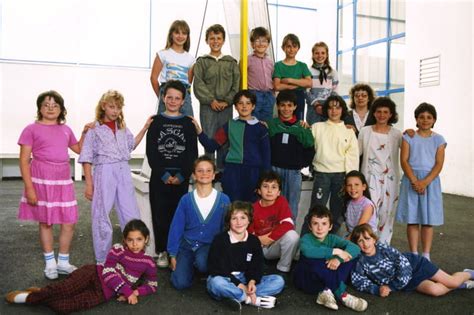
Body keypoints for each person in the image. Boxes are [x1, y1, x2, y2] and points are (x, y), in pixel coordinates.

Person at [5, 219, 158, 313]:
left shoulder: (149, 262)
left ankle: (42, 293)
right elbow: (109, 271)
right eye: (130, 240)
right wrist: (126, 290)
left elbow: (153, 285)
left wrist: (135, 292)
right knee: (63, 289)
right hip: (94, 274)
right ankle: (28, 297)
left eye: (139, 239)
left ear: (146, 239)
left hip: (103, 293)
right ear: (125, 240)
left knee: (64, 307)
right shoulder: (118, 248)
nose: (134, 244)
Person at [78, 90, 153, 264]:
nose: (115, 111)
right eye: (112, 107)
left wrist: (145, 127)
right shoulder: (94, 129)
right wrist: (89, 184)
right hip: (104, 172)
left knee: (131, 213)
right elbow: (86, 158)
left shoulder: (122, 128)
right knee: (101, 215)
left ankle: (134, 256)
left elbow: (131, 145)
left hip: (123, 171)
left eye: (118, 108)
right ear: (103, 106)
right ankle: (102, 260)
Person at [17, 90, 84, 280]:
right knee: (46, 221)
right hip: (41, 178)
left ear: (61, 109)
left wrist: (85, 133)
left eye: (55, 105)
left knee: (69, 221)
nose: (50, 108)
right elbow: (23, 161)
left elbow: (79, 149)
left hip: (62, 178)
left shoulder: (65, 129)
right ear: (39, 108)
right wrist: (29, 188)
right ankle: (50, 263)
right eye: (46, 105)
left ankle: (63, 261)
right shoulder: (31, 129)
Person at [146, 80, 198, 268]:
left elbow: (192, 153)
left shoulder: (188, 123)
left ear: (183, 101)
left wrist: (182, 176)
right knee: (160, 214)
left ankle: (174, 250)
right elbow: (151, 152)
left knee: (178, 216)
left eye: (177, 98)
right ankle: (162, 251)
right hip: (160, 177)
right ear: (163, 98)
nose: (173, 101)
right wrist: (164, 175)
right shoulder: (156, 121)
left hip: (181, 178)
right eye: (170, 97)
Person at [351, 224, 474, 298]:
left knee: (452, 282)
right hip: (405, 281)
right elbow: (358, 281)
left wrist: (391, 287)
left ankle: (469, 273)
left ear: (374, 239)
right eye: (360, 241)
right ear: (356, 244)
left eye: (367, 239)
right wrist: (376, 289)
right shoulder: (360, 261)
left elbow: (404, 267)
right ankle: (461, 285)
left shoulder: (383, 249)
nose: (365, 243)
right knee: (435, 291)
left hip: (415, 265)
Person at [194, 90, 271, 202]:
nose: (244, 106)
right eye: (240, 103)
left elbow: (266, 155)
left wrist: (265, 179)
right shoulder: (229, 125)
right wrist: (199, 132)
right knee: (233, 208)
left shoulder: (261, 128)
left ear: (253, 106)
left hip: (254, 173)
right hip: (232, 172)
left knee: (252, 210)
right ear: (235, 106)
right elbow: (211, 146)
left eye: (248, 103)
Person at [167, 156, 230, 290]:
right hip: (187, 245)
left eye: (208, 171)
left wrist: (224, 254)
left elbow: (227, 229)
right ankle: (188, 267)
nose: (204, 174)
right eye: (200, 171)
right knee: (180, 283)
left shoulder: (224, 200)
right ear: (194, 175)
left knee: (203, 263)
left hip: (209, 245)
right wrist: (172, 254)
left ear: (214, 175)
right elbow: (176, 227)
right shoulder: (186, 199)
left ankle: (200, 268)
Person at [207, 201, 284, 311]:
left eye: (243, 218)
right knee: (216, 283)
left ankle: (234, 297)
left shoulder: (254, 241)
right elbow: (216, 268)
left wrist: (252, 281)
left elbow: (257, 265)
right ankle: (250, 300)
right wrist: (239, 285)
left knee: (278, 281)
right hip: (225, 278)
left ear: (249, 220)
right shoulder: (220, 240)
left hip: (245, 278)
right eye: (234, 218)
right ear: (229, 221)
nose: (239, 222)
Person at [395, 103, 446, 261]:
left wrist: (424, 182)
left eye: (429, 117)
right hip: (411, 180)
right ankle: (414, 254)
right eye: (422, 117)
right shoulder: (408, 137)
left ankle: (426, 255)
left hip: (430, 182)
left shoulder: (439, 139)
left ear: (434, 119)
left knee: (427, 220)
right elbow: (404, 160)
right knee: (412, 219)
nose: (425, 120)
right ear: (416, 119)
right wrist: (415, 181)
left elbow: (438, 164)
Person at [294, 205, 367, 312]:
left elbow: (355, 247)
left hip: (325, 277)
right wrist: (335, 252)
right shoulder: (306, 238)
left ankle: (326, 292)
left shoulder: (332, 238)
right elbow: (308, 252)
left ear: (330, 226)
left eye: (324, 224)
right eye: (315, 224)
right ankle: (342, 294)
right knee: (312, 260)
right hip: (308, 280)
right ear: (310, 226)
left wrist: (338, 259)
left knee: (351, 257)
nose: (320, 228)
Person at [307, 95, 359, 234]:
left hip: (341, 176)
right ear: (325, 110)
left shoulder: (349, 130)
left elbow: (353, 156)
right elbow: (307, 146)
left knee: (337, 213)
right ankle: (309, 246)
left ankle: (331, 243)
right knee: (316, 211)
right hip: (321, 175)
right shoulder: (317, 127)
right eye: (330, 108)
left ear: (342, 110)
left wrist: (350, 178)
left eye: (337, 107)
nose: (334, 111)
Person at [193, 24, 240, 173]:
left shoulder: (231, 63)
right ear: (207, 40)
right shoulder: (201, 62)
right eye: (212, 38)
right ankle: (208, 170)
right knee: (208, 137)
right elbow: (198, 84)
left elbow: (236, 84)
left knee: (224, 138)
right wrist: (211, 100)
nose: (215, 41)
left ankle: (222, 170)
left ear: (223, 40)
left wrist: (227, 101)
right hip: (208, 107)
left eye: (218, 38)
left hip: (226, 107)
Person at [358, 97, 402, 244]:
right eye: (379, 112)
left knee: (387, 215)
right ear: (374, 113)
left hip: (391, 180)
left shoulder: (397, 134)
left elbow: (410, 151)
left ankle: (383, 247)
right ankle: (368, 246)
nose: (382, 115)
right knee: (370, 213)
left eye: (385, 112)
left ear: (391, 114)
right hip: (370, 178)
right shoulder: (365, 131)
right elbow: (355, 153)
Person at [267, 90, 314, 220]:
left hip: (294, 172)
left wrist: (300, 163)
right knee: (272, 204)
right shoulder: (271, 125)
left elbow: (310, 148)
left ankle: (289, 235)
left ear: (295, 107)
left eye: (289, 105)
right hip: (274, 170)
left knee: (291, 206)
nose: (286, 109)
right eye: (282, 105)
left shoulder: (302, 127)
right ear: (277, 106)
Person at [248, 171, 299, 274]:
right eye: (265, 186)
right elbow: (249, 234)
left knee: (292, 236)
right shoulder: (253, 208)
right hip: (260, 247)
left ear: (279, 192)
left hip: (273, 244)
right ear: (258, 190)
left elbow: (288, 223)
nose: (269, 191)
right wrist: (259, 240)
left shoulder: (281, 201)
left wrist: (270, 238)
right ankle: (258, 267)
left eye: (274, 187)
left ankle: (283, 269)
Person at [150, 20, 195, 117]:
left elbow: (189, 82)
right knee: (163, 122)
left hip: (184, 95)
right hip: (167, 92)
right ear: (171, 34)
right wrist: (162, 96)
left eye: (184, 33)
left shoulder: (191, 59)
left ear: (187, 36)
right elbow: (153, 78)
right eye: (177, 32)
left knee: (188, 123)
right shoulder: (162, 54)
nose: (180, 36)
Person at [273, 33, 312, 121]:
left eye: (294, 46)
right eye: (288, 46)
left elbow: (309, 83)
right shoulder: (278, 65)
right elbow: (277, 86)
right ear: (283, 48)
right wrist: (297, 84)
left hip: (299, 97)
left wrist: (289, 80)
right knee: (283, 123)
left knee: (298, 122)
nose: (291, 49)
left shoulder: (302, 65)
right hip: (283, 98)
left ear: (298, 48)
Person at [305, 42, 339, 125]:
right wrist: (316, 105)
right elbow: (306, 91)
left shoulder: (333, 72)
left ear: (327, 55)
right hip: (313, 108)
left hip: (328, 108)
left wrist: (329, 105)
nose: (320, 55)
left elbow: (335, 91)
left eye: (323, 53)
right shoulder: (308, 72)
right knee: (314, 132)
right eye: (317, 53)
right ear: (312, 55)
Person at [247, 26, 275, 122]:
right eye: (257, 40)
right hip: (254, 94)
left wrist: (273, 94)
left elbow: (272, 78)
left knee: (267, 122)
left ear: (267, 44)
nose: (260, 43)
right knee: (253, 121)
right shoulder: (248, 60)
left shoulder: (270, 62)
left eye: (264, 41)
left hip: (268, 95)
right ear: (252, 44)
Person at [344, 170, 376, 236]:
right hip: (351, 235)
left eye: (356, 185)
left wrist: (347, 241)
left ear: (364, 187)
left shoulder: (367, 205)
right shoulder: (348, 203)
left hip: (365, 237)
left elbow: (360, 227)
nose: (353, 188)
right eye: (349, 185)